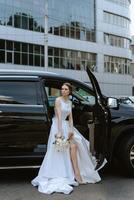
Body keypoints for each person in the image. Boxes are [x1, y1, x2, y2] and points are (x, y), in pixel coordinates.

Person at [31, 82, 107, 194]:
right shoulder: (58, 100)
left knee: (79, 143)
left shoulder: (69, 102)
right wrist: (60, 132)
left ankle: (78, 172)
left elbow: (70, 118)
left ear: (69, 91)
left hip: (67, 125)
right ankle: (74, 173)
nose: (63, 91)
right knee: (66, 148)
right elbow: (58, 117)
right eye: (62, 89)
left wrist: (71, 130)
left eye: (66, 89)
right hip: (58, 126)